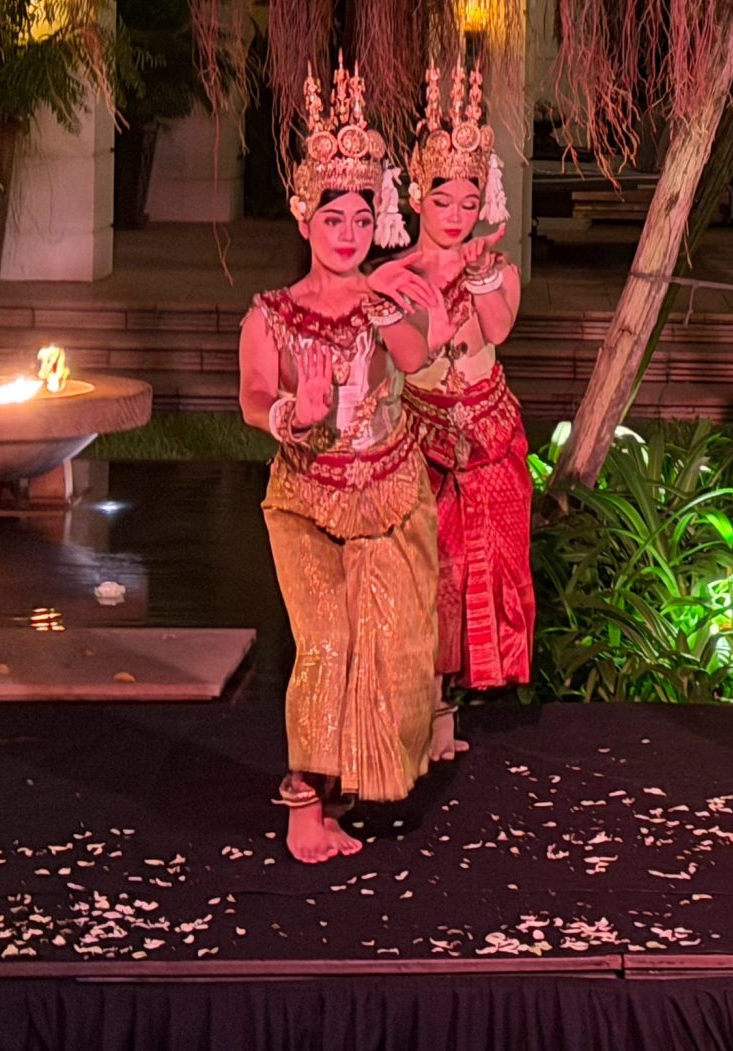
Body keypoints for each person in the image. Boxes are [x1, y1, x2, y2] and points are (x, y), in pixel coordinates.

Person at [235, 65, 438, 866]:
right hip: (306, 497)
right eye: (332, 216)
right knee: (324, 638)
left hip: (389, 490)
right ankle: (305, 804)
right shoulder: (272, 314)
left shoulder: (383, 303)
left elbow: (417, 357)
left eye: (361, 216)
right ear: (303, 216)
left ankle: (349, 778)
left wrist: (397, 312)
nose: (348, 231)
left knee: (388, 642)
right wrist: (297, 412)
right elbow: (254, 395)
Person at [371, 61, 531, 763]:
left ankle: (451, 710)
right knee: (430, 576)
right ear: (416, 197)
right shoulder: (394, 281)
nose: (458, 213)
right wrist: (424, 292)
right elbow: (410, 359)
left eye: (470, 200)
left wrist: (481, 273)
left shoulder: (500, 270)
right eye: (444, 200)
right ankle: (426, 712)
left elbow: (497, 328)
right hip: (425, 439)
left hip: (491, 434)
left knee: (482, 576)